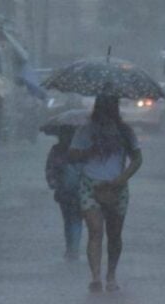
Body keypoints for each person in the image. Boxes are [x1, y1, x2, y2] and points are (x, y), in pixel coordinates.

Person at [68, 95, 143, 293]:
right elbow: (72, 155)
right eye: (104, 107)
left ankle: (111, 274)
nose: (107, 111)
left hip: (117, 186)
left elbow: (137, 158)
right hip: (90, 185)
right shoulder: (86, 130)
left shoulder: (125, 132)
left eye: (111, 107)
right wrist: (88, 151)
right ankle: (95, 277)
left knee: (114, 234)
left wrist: (122, 178)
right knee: (95, 230)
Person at [45, 127, 83, 260]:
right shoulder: (83, 148)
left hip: (66, 192)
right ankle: (73, 248)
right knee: (74, 220)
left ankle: (71, 249)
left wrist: (53, 183)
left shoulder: (57, 150)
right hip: (77, 191)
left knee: (70, 220)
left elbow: (50, 169)